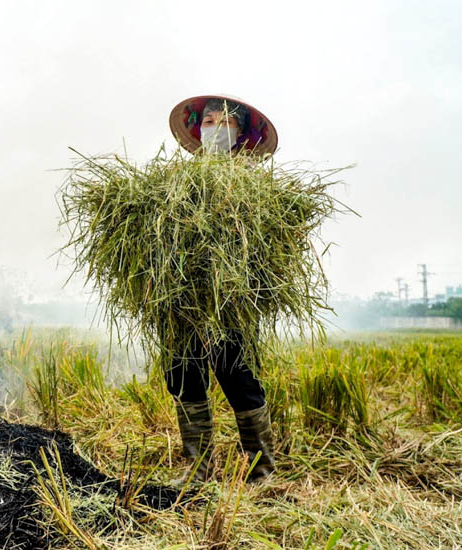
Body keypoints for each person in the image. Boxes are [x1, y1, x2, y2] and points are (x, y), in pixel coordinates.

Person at [165, 94, 279, 484]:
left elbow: (270, 246)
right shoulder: (175, 182)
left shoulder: (254, 184)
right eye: (209, 121)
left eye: (226, 122)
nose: (216, 128)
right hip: (181, 301)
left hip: (232, 304)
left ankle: (261, 470)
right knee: (183, 378)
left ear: (241, 132)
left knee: (240, 380)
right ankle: (197, 470)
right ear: (199, 129)